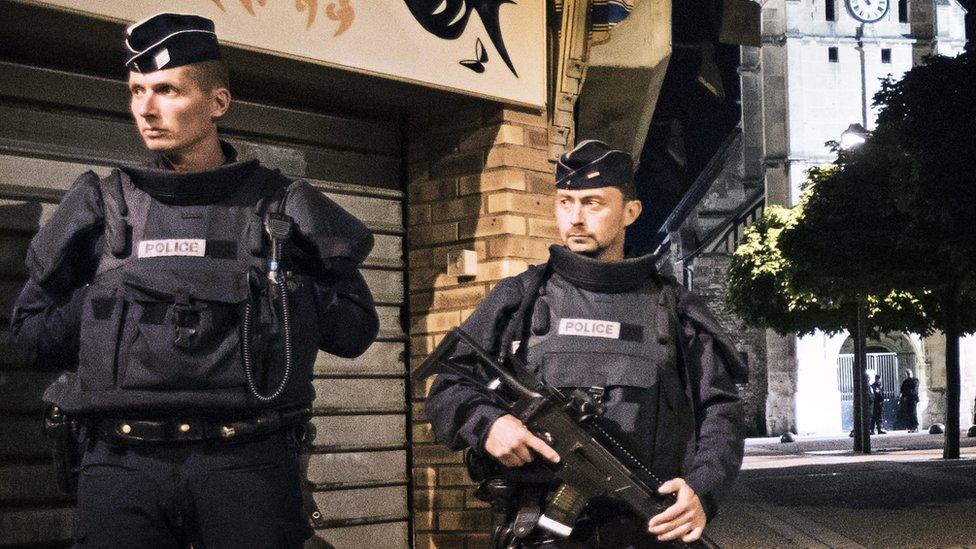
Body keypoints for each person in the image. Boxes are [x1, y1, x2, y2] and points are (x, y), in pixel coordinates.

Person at [10, 13, 378, 548]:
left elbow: (355, 334)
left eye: (166, 90)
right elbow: (30, 338)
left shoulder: (282, 207)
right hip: (121, 467)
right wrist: (111, 298)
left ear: (217, 103)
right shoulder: (101, 206)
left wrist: (284, 292)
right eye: (136, 91)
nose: (146, 109)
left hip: (246, 464)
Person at [424, 140, 747, 547]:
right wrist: (489, 424)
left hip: (646, 528)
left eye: (593, 203)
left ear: (631, 212)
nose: (575, 218)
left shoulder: (674, 308)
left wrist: (703, 490)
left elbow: (721, 411)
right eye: (565, 202)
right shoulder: (519, 298)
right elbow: (446, 388)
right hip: (538, 527)